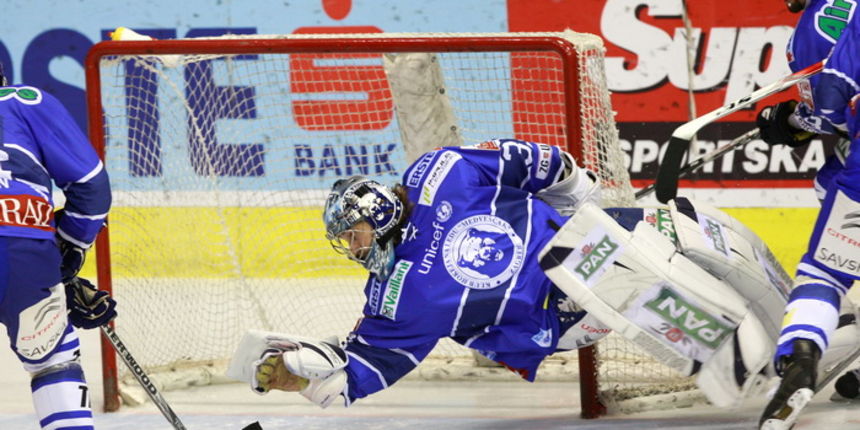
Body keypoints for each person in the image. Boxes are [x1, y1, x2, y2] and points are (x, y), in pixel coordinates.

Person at [227, 137, 816, 412]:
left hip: (592, 243)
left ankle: (809, 328)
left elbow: (548, 164)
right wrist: (298, 371)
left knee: (703, 236)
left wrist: (584, 207)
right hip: (562, 319)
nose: (353, 251)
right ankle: (755, 364)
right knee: (602, 276)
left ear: (378, 218)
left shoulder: (440, 172)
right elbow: (355, 372)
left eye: (354, 237)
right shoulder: (396, 300)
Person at [754, 1, 860, 428]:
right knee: (829, 178)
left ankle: (799, 355)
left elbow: (831, 107)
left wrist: (789, 120)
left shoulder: (817, 23)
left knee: (826, 273)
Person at [0, 68, 115, 429]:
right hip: (22, 246)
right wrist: (66, 253)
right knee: (52, 362)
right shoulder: (22, 101)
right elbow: (91, 188)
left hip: (24, 244)